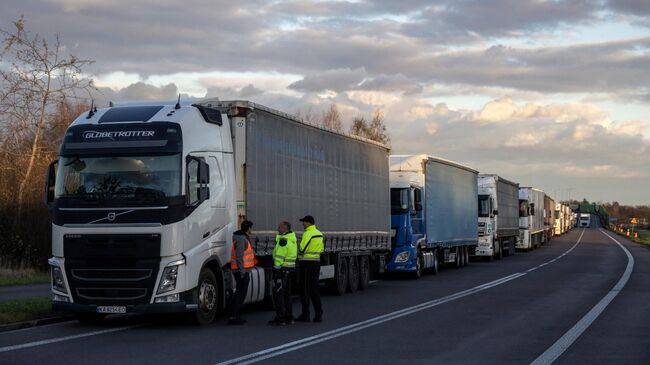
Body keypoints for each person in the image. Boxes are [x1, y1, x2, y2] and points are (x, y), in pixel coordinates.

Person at [296, 215, 324, 323]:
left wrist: (297, 254)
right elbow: (321, 248)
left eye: (303, 222)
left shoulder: (308, 233)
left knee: (305, 290)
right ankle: (318, 314)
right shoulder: (319, 233)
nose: (303, 224)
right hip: (316, 262)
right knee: (314, 289)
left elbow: (302, 249)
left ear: (308, 223)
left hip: (306, 264)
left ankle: (305, 314)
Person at [268, 221, 297, 326]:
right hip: (289, 270)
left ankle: (281, 318)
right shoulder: (292, 240)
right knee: (287, 295)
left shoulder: (283, 241)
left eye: (279, 227)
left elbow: (279, 257)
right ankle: (289, 317)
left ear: (285, 228)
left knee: (278, 295)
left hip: (281, 271)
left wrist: (276, 270)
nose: (278, 229)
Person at [228, 220, 255, 325]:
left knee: (240, 293)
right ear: (248, 229)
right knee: (239, 293)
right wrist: (242, 272)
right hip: (241, 271)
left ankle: (235, 315)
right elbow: (239, 257)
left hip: (241, 270)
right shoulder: (241, 239)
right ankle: (234, 316)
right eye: (251, 228)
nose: (252, 230)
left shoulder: (241, 237)